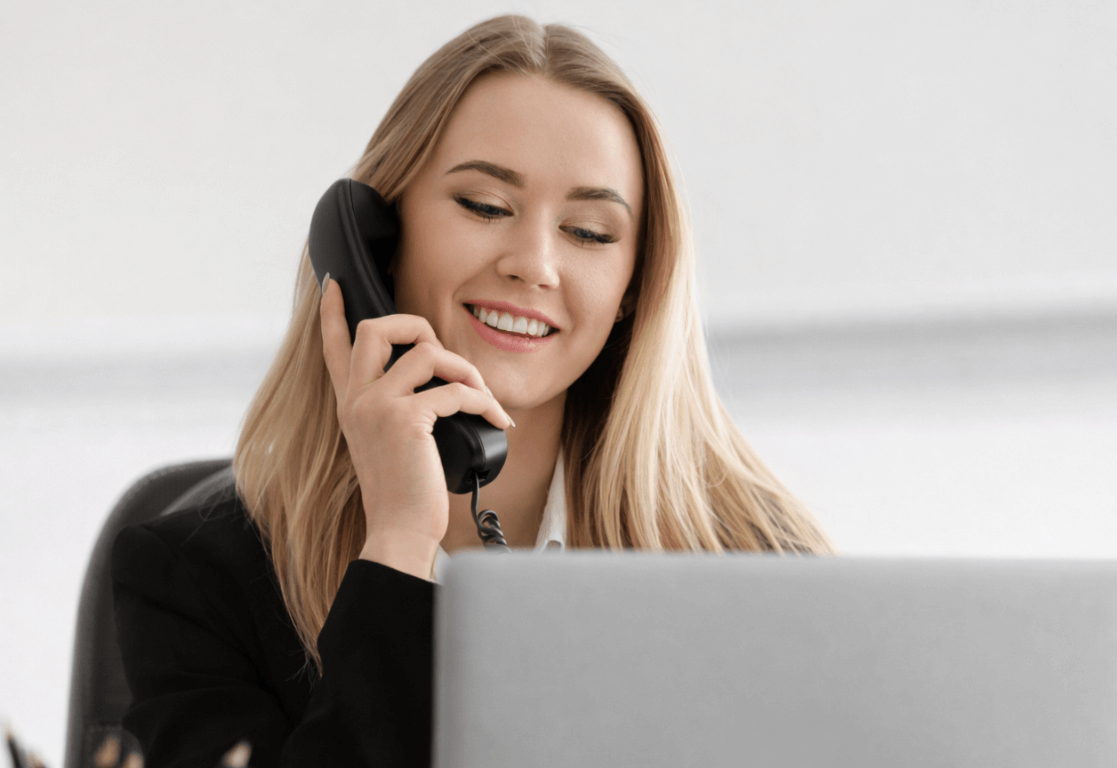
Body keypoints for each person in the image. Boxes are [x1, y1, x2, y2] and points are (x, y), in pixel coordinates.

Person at [113, 14, 833, 768]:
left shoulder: (757, 563)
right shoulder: (198, 579)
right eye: (486, 207)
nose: (535, 265)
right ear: (377, 243)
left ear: (633, 287)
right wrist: (397, 545)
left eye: (589, 231)